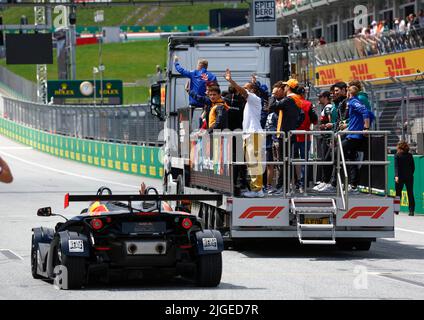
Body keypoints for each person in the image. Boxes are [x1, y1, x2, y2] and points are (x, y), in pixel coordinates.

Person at [321, 82, 370, 193]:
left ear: (349, 92)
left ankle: (336, 183)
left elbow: (365, 112)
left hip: (354, 136)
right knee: (349, 158)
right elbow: (360, 116)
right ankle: (351, 185)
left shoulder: (353, 102)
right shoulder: (352, 101)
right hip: (350, 134)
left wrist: (366, 128)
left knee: (336, 153)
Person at [224, 68, 264, 198]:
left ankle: (258, 190)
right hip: (249, 134)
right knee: (250, 162)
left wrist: (231, 81)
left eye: (247, 88)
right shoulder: (249, 102)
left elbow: (242, 91)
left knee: (254, 162)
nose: (243, 91)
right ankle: (256, 189)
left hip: (254, 134)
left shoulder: (254, 98)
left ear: (252, 91)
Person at [267, 79, 304, 195]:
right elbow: (301, 116)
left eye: (285, 86)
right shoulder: (297, 100)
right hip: (289, 133)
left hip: (285, 134)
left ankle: (281, 186)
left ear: (289, 87)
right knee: (287, 160)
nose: (283, 88)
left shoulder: (289, 99)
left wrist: (273, 94)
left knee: (284, 161)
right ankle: (293, 184)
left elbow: (272, 106)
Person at [294, 86, 318, 193]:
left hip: (292, 136)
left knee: (289, 161)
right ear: (303, 93)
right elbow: (315, 120)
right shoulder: (308, 104)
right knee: (304, 161)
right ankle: (302, 185)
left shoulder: (290, 102)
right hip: (305, 136)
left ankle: (293, 183)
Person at [313, 91, 334, 191]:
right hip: (324, 136)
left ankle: (327, 182)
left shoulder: (328, 107)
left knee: (327, 160)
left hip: (327, 137)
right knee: (324, 160)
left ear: (325, 97)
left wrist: (324, 126)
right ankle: (324, 181)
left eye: (320, 97)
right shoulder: (324, 108)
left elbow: (331, 122)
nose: (319, 99)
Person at [395, 141, 415, 216]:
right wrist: (410, 174)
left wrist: (396, 176)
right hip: (409, 176)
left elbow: (396, 167)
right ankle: (411, 211)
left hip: (399, 177)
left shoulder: (397, 155)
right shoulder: (410, 155)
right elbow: (413, 167)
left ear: (399, 148)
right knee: (410, 193)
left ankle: (396, 210)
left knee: (398, 194)